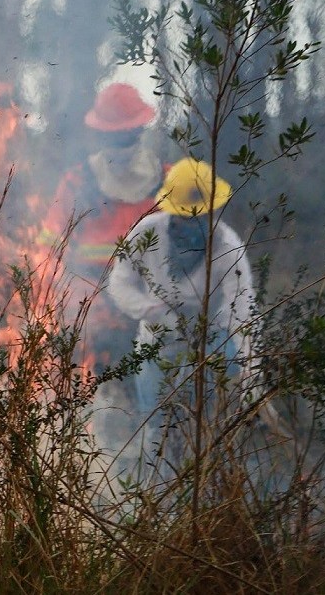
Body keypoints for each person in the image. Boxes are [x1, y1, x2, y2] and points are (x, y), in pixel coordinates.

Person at [106, 158, 258, 471]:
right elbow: (119, 284)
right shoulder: (146, 233)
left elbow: (243, 315)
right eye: (182, 217)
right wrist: (154, 311)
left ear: (211, 212)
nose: (189, 223)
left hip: (210, 340)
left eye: (198, 216)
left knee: (205, 427)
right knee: (156, 427)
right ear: (169, 210)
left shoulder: (227, 248)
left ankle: (204, 492)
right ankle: (157, 501)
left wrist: (252, 380)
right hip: (156, 341)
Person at [38, 82, 167, 374]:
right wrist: (68, 294)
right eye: (113, 137)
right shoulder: (78, 181)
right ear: (99, 136)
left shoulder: (167, 181)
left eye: (127, 136)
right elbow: (47, 250)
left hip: (150, 307)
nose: (120, 146)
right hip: (90, 307)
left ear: (140, 132)